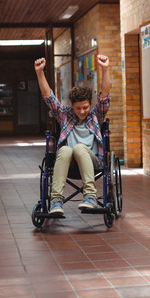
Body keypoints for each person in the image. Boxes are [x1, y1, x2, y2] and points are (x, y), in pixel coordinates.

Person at [34, 54, 110, 216]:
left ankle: (90, 196)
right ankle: (56, 200)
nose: (82, 111)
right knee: (65, 150)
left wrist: (105, 69)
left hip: (92, 160)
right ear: (72, 107)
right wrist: (40, 72)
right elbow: (49, 97)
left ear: (90, 104)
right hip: (69, 162)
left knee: (80, 148)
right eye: (78, 108)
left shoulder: (96, 115)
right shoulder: (65, 115)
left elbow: (104, 97)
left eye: (85, 107)